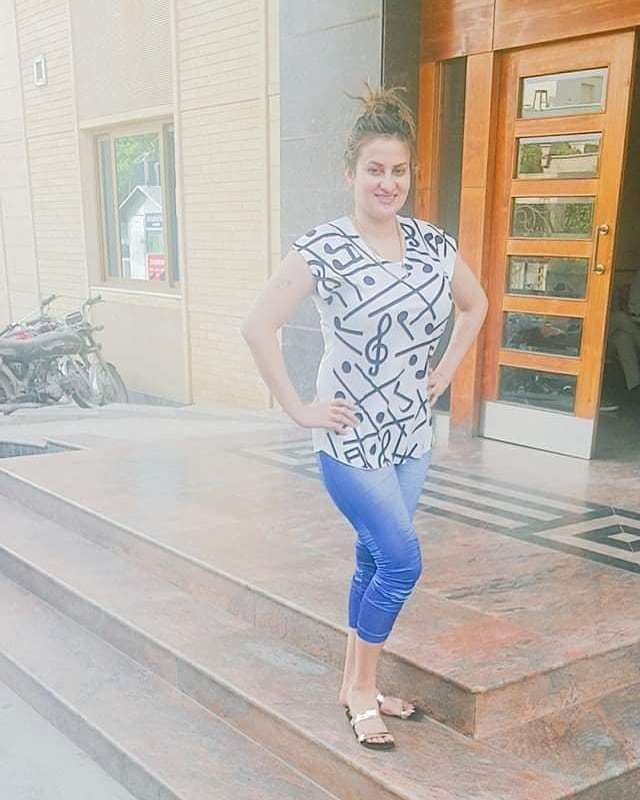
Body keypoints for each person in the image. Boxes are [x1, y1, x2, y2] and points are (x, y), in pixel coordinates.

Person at [241, 83, 487, 751]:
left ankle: (358, 684)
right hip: (349, 438)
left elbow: (476, 304)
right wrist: (299, 409)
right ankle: (360, 690)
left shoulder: (433, 245)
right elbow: (258, 325)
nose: (388, 183)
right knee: (402, 563)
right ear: (350, 173)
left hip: (411, 436)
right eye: (374, 169)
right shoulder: (323, 248)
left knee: (373, 557)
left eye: (399, 170)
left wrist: (447, 370)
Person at [607, 269, 640, 403]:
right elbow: (635, 308)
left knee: (622, 337)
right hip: (591, 338)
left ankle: (634, 388)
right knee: (620, 319)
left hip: (616, 334)